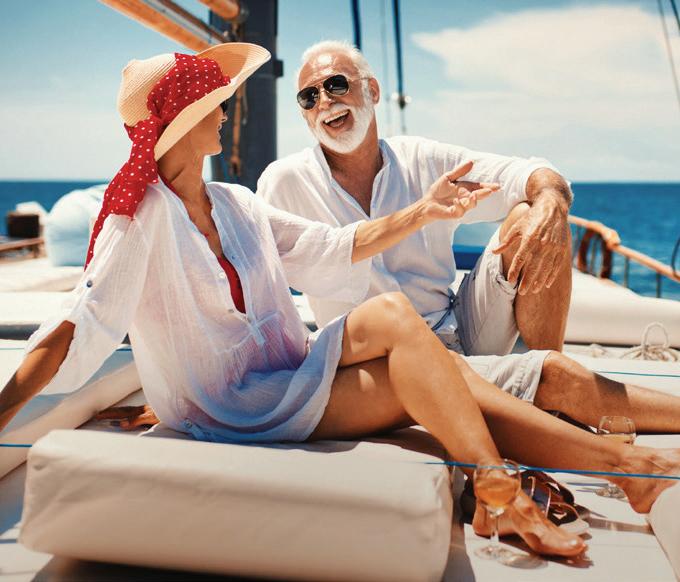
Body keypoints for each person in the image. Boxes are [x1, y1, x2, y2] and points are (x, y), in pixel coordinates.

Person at [3, 42, 678, 560]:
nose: (227, 110)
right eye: (215, 102)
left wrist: (423, 212)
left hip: (289, 374)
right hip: (230, 406)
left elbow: (331, 246)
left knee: (412, 334)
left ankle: (556, 481)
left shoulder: (235, 203)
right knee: (415, 343)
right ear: (183, 122)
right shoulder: (140, 219)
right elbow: (78, 325)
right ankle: (592, 474)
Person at [257, 39, 680, 436]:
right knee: (557, 379)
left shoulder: (421, 159)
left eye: (336, 84)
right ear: (305, 115)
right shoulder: (285, 182)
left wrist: (552, 200)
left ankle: (545, 374)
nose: (324, 101)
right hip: (377, 361)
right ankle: (547, 387)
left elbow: (525, 172)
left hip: (459, 329)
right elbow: (257, 278)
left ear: (372, 90)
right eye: (308, 97)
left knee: (528, 214)